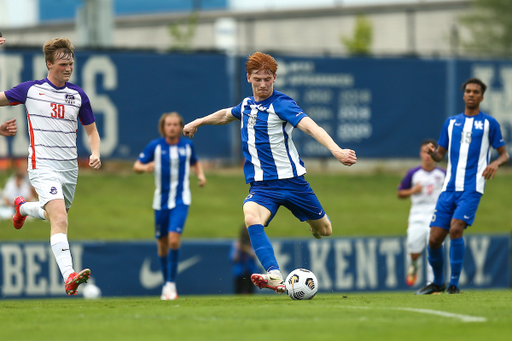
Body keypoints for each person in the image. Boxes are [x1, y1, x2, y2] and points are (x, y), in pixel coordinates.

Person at [183, 52, 357, 294]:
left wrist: (337, 151)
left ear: (274, 77)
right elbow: (225, 114)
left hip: (294, 183)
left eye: (267, 79)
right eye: (258, 79)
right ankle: (274, 274)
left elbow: (310, 126)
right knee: (251, 216)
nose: (263, 84)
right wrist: (196, 122)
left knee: (324, 230)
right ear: (248, 78)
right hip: (263, 187)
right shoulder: (246, 105)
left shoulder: (282, 104)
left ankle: (315, 230)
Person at [0, 37, 102, 296]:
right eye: (62, 63)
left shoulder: (78, 95)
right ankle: (69, 276)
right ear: (48, 64)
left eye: (71, 63)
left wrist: (96, 152)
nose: (68, 68)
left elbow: (91, 131)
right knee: (60, 218)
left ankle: (22, 207)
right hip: (42, 164)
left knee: (53, 216)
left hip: (68, 168)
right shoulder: (30, 90)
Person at [415, 78, 510, 295]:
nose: (471, 94)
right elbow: (440, 155)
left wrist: (495, 163)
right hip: (448, 189)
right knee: (434, 239)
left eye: (476, 92)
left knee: (456, 228)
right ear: (463, 94)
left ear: (482, 97)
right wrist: (432, 152)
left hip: (472, 188)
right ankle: (437, 283)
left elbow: (505, 154)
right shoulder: (451, 123)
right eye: (468, 91)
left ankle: (454, 285)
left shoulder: (489, 124)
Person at [133, 112, 206, 300]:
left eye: (175, 124)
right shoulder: (155, 146)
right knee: (162, 245)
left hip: (181, 200)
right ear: (163, 127)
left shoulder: (187, 146)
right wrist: (145, 167)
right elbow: (136, 166)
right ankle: (166, 284)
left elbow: (195, 162)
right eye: (169, 124)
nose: (172, 127)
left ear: (181, 126)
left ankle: (171, 285)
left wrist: (200, 175)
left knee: (174, 240)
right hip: (161, 202)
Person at [397, 139, 445, 287]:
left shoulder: (443, 174)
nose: (427, 155)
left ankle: (434, 283)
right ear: (420, 154)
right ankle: (414, 265)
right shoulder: (413, 173)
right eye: (425, 152)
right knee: (414, 252)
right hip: (417, 216)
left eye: (430, 152)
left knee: (434, 248)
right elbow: (400, 193)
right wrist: (413, 190)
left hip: (436, 217)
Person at [230, 225, 259, 294]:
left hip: (250, 272)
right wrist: (238, 249)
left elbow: (255, 256)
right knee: (238, 292)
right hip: (239, 272)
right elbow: (233, 259)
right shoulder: (237, 244)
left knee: (250, 292)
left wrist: (247, 249)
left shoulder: (253, 243)